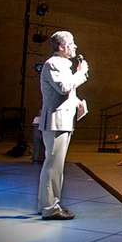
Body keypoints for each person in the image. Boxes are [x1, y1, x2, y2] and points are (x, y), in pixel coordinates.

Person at [38, 31, 89, 220]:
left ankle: (50, 203)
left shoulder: (62, 65)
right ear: (61, 47)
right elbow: (63, 87)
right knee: (53, 166)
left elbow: (65, 93)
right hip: (56, 121)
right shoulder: (53, 64)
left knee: (56, 167)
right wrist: (81, 73)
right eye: (72, 43)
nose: (75, 47)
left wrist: (78, 103)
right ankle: (50, 208)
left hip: (63, 120)